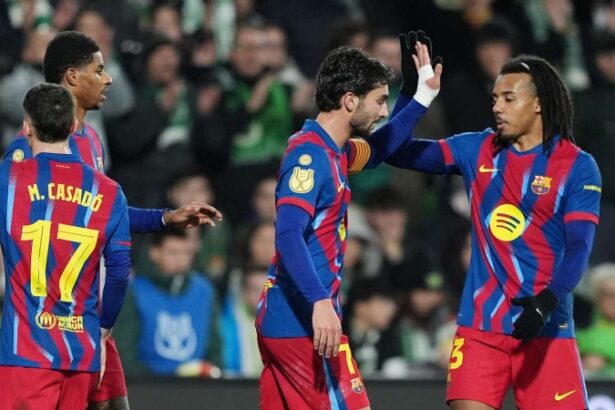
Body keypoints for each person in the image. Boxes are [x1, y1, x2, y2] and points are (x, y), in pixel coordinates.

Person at [2, 31, 222, 410]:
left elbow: (102, 215)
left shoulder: (90, 141)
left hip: (87, 313)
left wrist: (164, 218)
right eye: (99, 69)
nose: (108, 79)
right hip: (47, 321)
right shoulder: (27, 152)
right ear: (73, 76)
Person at [386, 45, 601, 408]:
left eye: (508, 98)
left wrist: (548, 301)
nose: (497, 107)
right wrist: (413, 96)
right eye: (495, 98)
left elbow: (579, 246)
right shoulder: (477, 149)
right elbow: (394, 151)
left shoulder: (577, 166)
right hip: (480, 329)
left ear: (539, 103)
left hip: (545, 326)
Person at [256, 33, 442, 409]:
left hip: (295, 318)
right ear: (350, 101)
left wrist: (419, 94)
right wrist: (320, 302)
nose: (384, 111)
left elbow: (380, 149)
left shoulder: (334, 150)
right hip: (302, 321)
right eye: (380, 101)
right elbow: (288, 234)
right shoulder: (309, 158)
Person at [0, 83, 130, 410]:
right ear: (74, 126)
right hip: (82, 354)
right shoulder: (110, 192)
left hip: (26, 352)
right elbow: (118, 274)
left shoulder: (9, 180)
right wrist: (103, 331)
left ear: (27, 127)